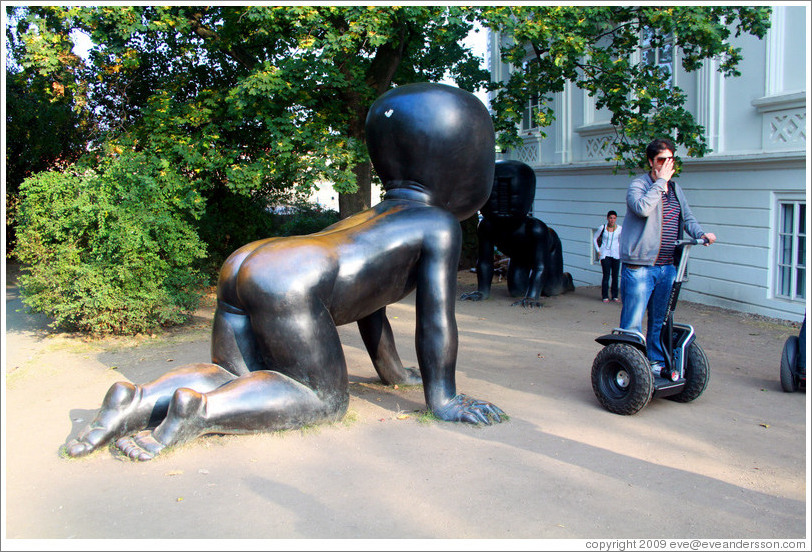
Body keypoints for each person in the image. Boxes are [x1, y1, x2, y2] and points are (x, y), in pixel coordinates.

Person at [64, 83, 505, 462]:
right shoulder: (438, 226)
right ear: (462, 161)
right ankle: (198, 412)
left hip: (251, 261)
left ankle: (135, 399)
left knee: (237, 377)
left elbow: (375, 303)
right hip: (291, 280)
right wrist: (443, 398)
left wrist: (393, 372)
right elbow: (435, 320)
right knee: (322, 400)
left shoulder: (369, 220)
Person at [618, 138, 716, 375]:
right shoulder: (639, 185)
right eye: (662, 160)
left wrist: (701, 234)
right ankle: (627, 367)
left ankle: (655, 365)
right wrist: (660, 182)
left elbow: (688, 218)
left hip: (667, 266)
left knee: (660, 321)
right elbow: (642, 208)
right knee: (632, 323)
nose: (667, 164)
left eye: (670, 160)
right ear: (651, 161)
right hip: (640, 267)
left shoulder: (675, 189)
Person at [593, 210, 622, 303]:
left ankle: (614, 295)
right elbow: (594, 238)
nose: (612, 220)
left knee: (615, 275)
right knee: (606, 275)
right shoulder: (603, 227)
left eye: (614, 218)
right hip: (605, 254)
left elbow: (622, 240)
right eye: (610, 218)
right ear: (607, 218)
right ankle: (605, 296)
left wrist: (621, 251)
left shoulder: (619, 229)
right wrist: (598, 251)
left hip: (616, 254)